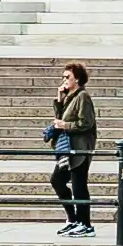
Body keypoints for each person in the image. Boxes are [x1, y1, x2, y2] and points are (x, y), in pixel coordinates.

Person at [44, 62, 98, 236]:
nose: (64, 80)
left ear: (78, 79)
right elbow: (60, 118)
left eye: (68, 77)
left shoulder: (83, 97)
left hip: (80, 148)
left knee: (79, 185)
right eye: (63, 77)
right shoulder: (70, 97)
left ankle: (85, 224)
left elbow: (86, 123)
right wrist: (59, 100)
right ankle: (73, 219)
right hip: (68, 149)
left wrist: (65, 125)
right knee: (57, 181)